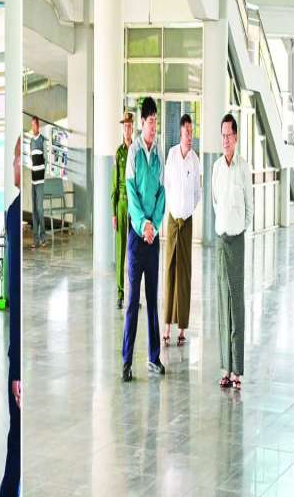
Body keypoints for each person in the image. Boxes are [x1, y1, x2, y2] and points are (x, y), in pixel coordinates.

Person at [121, 97, 166, 382]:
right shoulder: (134, 153)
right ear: (142, 123)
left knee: (152, 299)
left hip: (153, 238)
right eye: (150, 122)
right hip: (137, 238)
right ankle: (127, 361)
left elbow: (162, 193)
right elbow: (131, 193)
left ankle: (153, 357)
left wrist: (155, 225)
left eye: (156, 122)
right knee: (132, 300)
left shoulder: (159, 153)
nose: (153, 126)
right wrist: (143, 224)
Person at [212, 113, 253, 391]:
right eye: (223, 135)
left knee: (236, 304)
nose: (225, 140)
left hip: (237, 241)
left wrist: (239, 227)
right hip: (220, 240)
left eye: (229, 135)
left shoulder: (243, 168)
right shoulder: (216, 167)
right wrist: (225, 226)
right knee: (222, 304)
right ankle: (225, 368)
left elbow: (250, 207)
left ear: (236, 138)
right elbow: (216, 202)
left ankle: (237, 369)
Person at [163, 114, 201, 346]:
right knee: (169, 271)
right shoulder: (172, 155)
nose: (190, 136)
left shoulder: (195, 160)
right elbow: (167, 185)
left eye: (192, 132)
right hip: (172, 220)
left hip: (187, 222)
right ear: (180, 133)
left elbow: (197, 193)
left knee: (185, 274)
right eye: (187, 132)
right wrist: (175, 208)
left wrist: (187, 210)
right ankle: (167, 325)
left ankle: (182, 328)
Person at [0, 137, 21, 496]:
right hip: (17, 353)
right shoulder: (13, 212)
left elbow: (16, 293)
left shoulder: (15, 214)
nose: (14, 165)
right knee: (16, 436)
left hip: (20, 359)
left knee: (17, 435)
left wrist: (17, 370)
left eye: (16, 158)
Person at [112, 112, 134, 310]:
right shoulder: (118, 153)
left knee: (134, 252)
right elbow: (114, 187)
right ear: (122, 129)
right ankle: (120, 294)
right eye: (125, 126)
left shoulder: (137, 150)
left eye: (129, 125)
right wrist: (113, 213)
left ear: (133, 128)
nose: (127, 129)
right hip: (121, 205)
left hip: (134, 207)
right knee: (120, 251)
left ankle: (133, 295)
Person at [29, 115, 47, 249]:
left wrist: (42, 172)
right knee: (34, 210)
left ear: (38, 125)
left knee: (40, 209)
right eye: (32, 125)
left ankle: (43, 237)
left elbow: (46, 159)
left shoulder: (42, 140)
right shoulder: (31, 141)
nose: (33, 127)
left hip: (40, 180)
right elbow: (32, 159)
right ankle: (35, 240)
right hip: (33, 179)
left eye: (34, 125)